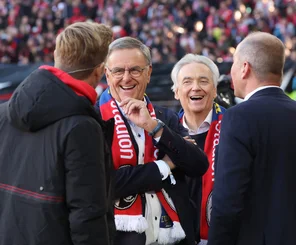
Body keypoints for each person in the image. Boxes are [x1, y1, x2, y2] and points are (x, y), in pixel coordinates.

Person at [0, 22, 115, 245]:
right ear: (101, 70)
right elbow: (87, 215)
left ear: (55, 55)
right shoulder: (82, 128)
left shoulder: (3, 113)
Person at [208, 31, 296, 245]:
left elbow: (227, 203)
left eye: (234, 62)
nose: (231, 71)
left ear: (245, 68)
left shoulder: (239, 117)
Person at [98, 37, 209, 245]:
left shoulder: (164, 118)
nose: (126, 78)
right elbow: (104, 183)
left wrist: (154, 127)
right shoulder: (95, 119)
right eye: (118, 71)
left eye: (135, 70)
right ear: (107, 74)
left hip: (176, 238)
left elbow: (197, 164)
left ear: (148, 73)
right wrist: (164, 166)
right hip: (119, 239)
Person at [170, 53, 226, 245]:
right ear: (176, 91)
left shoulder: (234, 127)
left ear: (215, 89)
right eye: (187, 82)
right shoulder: (165, 134)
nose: (196, 87)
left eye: (204, 81)